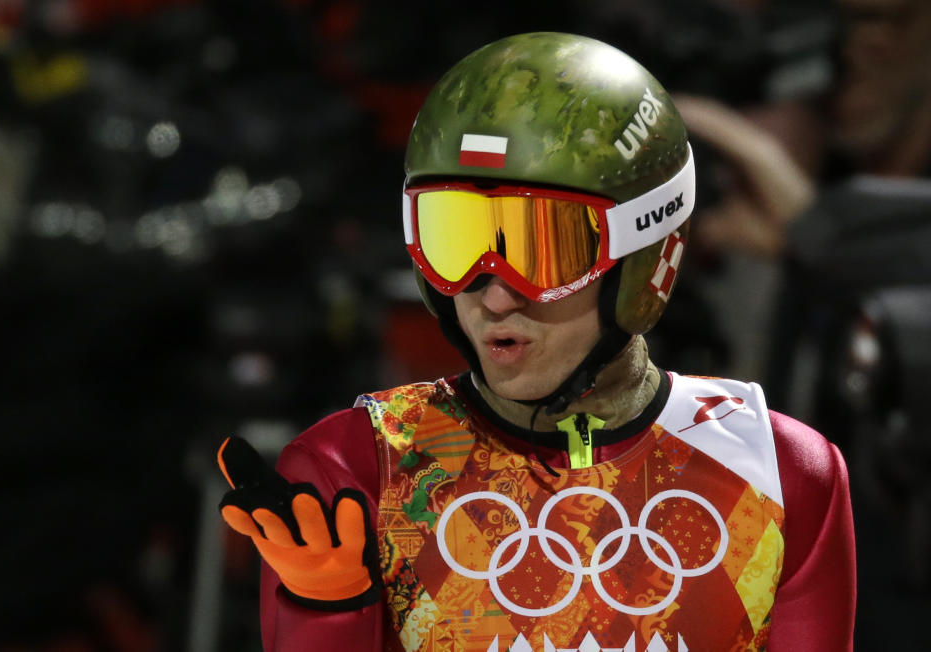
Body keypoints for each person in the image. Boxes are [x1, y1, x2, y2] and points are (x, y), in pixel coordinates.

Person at [216, 32, 856, 652]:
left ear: (647, 254)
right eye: (455, 237)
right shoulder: (353, 469)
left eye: (542, 250)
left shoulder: (782, 473)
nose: (494, 297)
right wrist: (326, 608)